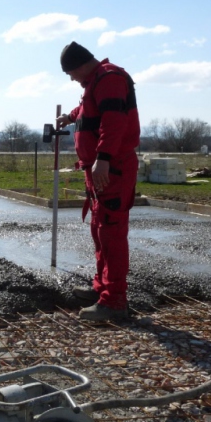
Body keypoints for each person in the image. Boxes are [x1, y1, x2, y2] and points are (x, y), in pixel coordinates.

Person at [56, 42, 140, 322]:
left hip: (112, 168)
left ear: (81, 66)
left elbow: (113, 121)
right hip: (98, 170)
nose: (72, 79)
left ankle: (114, 301)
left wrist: (102, 158)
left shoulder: (111, 78)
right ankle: (102, 289)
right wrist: (69, 117)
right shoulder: (95, 83)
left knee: (111, 233)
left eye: (71, 73)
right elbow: (87, 111)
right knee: (99, 230)